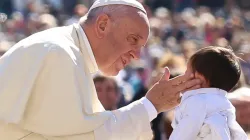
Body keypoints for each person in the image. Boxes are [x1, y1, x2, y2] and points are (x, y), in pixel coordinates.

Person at [0, 0, 201, 140]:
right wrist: (150, 105)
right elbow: (83, 137)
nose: (137, 56)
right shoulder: (58, 53)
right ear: (103, 24)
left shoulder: (72, 55)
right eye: (133, 40)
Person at [169, 46, 248, 140]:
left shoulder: (196, 101)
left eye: (187, 71)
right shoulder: (225, 103)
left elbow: (184, 132)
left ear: (198, 77)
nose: (184, 75)